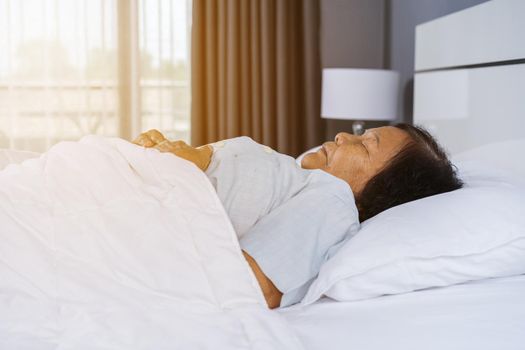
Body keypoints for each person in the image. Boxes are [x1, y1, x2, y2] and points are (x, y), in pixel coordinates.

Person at [133, 124, 463, 308]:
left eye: (364, 145)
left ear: (381, 190)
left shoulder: (333, 203)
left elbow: (252, 286)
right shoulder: (299, 179)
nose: (343, 136)